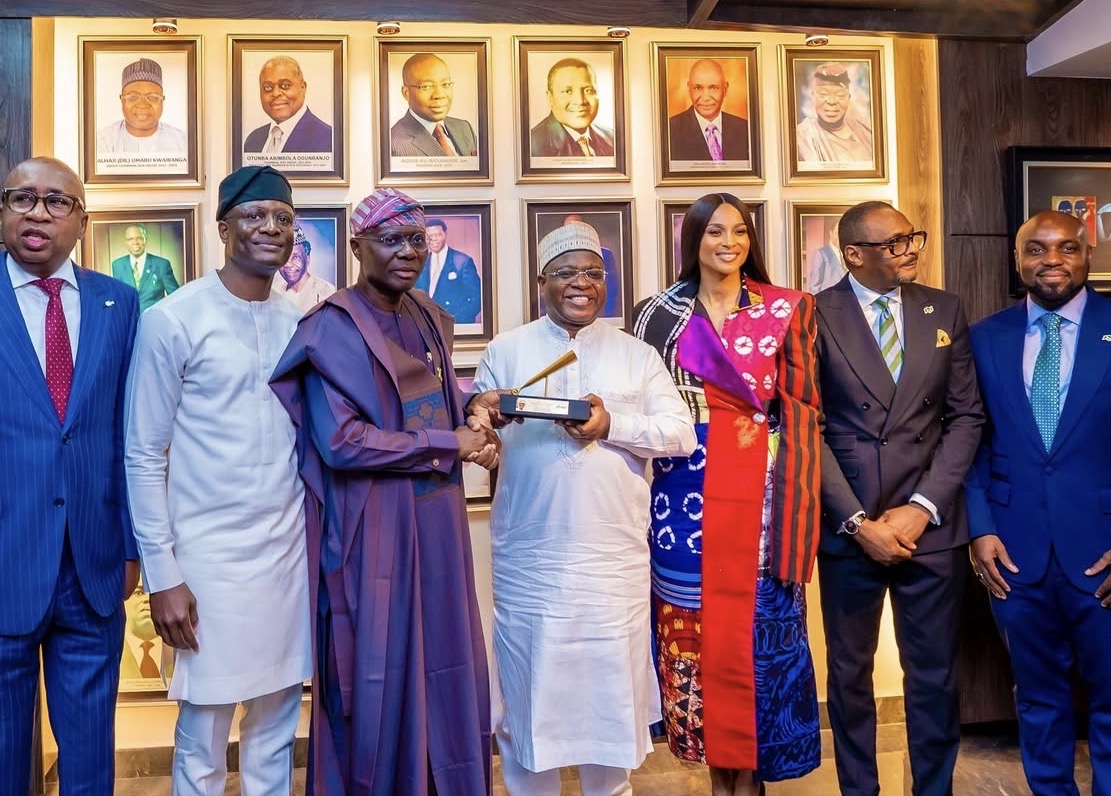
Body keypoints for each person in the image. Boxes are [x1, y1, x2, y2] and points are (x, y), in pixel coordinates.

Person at [270, 188, 496, 795]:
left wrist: (472, 408)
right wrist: (452, 445)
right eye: (389, 239)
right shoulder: (330, 328)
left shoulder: (426, 312)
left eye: (416, 239)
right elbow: (342, 443)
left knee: (448, 664)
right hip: (374, 526)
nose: (405, 252)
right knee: (379, 674)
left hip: (438, 520)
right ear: (357, 246)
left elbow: (428, 405)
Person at [472, 221, 696, 795]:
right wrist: (485, 420)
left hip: (610, 563)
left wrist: (610, 423)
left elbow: (680, 435)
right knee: (530, 703)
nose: (582, 284)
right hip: (532, 562)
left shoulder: (637, 355)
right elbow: (487, 451)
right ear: (542, 280)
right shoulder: (506, 351)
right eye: (567, 272)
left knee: (607, 706)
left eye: (593, 273)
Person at [125, 165, 311, 795]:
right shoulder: (173, 319)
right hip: (205, 561)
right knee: (201, 736)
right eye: (254, 216)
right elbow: (144, 453)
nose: (270, 228)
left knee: (277, 730)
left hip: (286, 555)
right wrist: (164, 575)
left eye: (282, 218)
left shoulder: (303, 321)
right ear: (224, 227)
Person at [632, 193, 822, 794]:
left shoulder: (787, 309)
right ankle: (720, 775)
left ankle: (755, 778)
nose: (728, 242)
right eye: (715, 231)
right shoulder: (654, 315)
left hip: (762, 498)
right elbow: (639, 405)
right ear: (693, 238)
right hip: (681, 494)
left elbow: (803, 411)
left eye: (740, 232)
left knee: (759, 637)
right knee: (694, 633)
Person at [815, 200, 984, 796]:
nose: (911, 249)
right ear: (854, 254)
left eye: (912, 237)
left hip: (931, 529)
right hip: (849, 530)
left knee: (934, 678)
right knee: (850, 677)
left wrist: (922, 507)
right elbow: (805, 430)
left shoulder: (945, 308)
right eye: (894, 243)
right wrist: (858, 522)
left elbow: (966, 417)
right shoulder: (812, 316)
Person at [967, 210, 1111, 795]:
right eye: (1036, 249)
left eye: (1065, 248)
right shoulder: (984, 338)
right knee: (1037, 704)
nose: (1051, 260)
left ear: (1088, 256)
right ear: (1018, 260)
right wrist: (980, 529)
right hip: (1013, 555)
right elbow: (970, 440)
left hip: (1110, 554)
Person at [0, 156, 140, 795]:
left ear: (83, 221)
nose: (37, 212)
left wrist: (137, 548)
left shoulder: (121, 305)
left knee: (90, 761)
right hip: (6, 559)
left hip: (94, 563)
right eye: (22, 197)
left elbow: (133, 436)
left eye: (57, 202)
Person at [391, 53, 478, 157]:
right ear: (407, 93)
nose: (439, 95)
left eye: (445, 84)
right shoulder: (393, 144)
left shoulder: (464, 128)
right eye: (427, 86)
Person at [96, 57, 188, 155]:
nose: (142, 105)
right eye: (133, 97)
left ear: (162, 100)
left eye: (152, 97)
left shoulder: (181, 142)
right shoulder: (103, 141)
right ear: (122, 100)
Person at [244, 55, 332, 154]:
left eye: (285, 86)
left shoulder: (327, 139)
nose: (276, 93)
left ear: (303, 87)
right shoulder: (253, 141)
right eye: (268, 87)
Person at [667, 59, 750, 162]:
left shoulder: (745, 129)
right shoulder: (669, 131)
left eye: (713, 88)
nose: (705, 97)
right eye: (698, 88)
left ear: (725, 89)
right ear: (689, 88)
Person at [529, 58, 614, 158]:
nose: (580, 101)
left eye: (588, 90)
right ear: (550, 98)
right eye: (567, 91)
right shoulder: (532, 144)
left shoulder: (612, 137)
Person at [795, 62, 874, 166]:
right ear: (813, 96)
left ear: (848, 98)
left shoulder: (865, 127)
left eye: (840, 95)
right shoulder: (803, 134)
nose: (831, 101)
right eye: (823, 94)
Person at [418, 217, 481, 323]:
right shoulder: (421, 262)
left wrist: (457, 320)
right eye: (429, 236)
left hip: (455, 323)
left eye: (437, 235)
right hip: (428, 324)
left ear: (445, 234)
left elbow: (477, 298)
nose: (434, 239)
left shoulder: (463, 261)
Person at [110, 224, 180, 312]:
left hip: (154, 320)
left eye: (139, 238)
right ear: (126, 243)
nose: (135, 242)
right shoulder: (117, 265)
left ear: (145, 240)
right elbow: (117, 297)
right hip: (128, 323)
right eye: (130, 239)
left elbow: (176, 297)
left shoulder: (161, 264)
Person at [273, 221, 335, 313]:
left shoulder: (327, 292)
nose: (288, 264)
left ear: (307, 256)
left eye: (295, 257)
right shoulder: (273, 292)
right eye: (283, 258)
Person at [120, 586, 163, 682]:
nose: (147, 599)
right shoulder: (111, 650)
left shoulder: (180, 652)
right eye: (139, 593)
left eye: (154, 593)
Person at [806, 220, 846, 295]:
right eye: (837, 233)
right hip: (828, 303)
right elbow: (815, 286)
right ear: (831, 233)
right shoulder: (821, 254)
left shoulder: (847, 253)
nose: (840, 237)